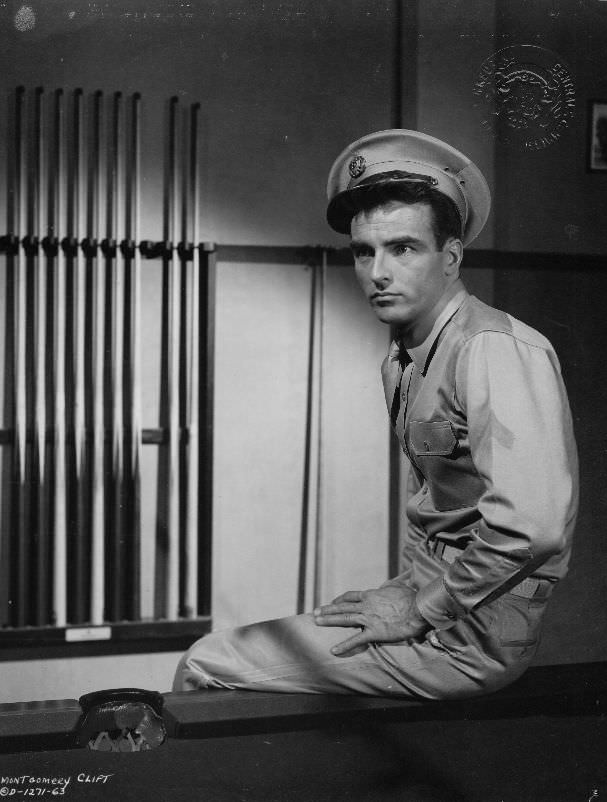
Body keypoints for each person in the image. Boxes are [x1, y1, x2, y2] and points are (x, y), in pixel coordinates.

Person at [173, 130, 578, 700]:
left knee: (207, 659)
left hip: (473, 634)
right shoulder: (402, 360)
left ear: (452, 256)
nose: (378, 272)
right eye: (365, 252)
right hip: (439, 599)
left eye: (404, 248)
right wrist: (404, 590)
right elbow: (439, 512)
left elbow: (532, 528)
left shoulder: (492, 347)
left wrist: (421, 606)